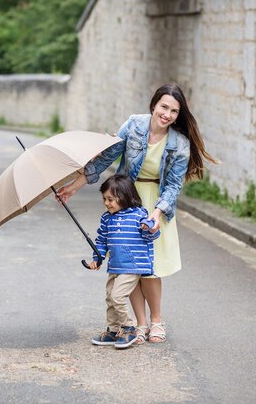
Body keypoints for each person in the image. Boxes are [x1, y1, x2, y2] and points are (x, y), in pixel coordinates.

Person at [58, 83, 216, 344]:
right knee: (129, 263)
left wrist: (157, 213)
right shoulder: (133, 125)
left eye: (174, 111)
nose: (167, 114)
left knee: (152, 268)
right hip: (128, 200)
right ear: (154, 104)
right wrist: (73, 187)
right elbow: (106, 157)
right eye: (164, 107)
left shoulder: (180, 143)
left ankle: (156, 321)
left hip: (157, 203)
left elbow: (174, 185)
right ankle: (139, 324)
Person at [88, 175, 160, 349]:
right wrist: (97, 258)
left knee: (117, 296)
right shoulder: (107, 218)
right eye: (104, 199)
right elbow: (101, 240)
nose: (106, 203)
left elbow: (152, 235)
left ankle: (129, 328)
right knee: (110, 298)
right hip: (115, 266)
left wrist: (149, 228)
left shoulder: (139, 214)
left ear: (125, 196)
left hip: (132, 266)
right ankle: (113, 330)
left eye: (110, 199)